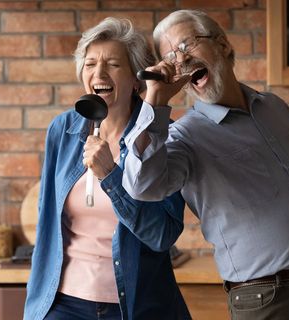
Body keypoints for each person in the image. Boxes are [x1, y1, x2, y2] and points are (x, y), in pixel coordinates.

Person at [122, 10, 289, 320]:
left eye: (186, 46)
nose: (180, 61)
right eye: (170, 57)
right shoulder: (183, 137)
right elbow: (142, 186)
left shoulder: (273, 107)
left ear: (223, 45)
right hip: (269, 299)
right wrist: (155, 103)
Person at [24, 17, 191, 320]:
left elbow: (162, 235)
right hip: (63, 303)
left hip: (137, 307)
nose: (98, 73)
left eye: (112, 64)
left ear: (136, 79)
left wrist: (110, 176)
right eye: (90, 64)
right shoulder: (63, 129)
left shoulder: (163, 134)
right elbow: (46, 216)